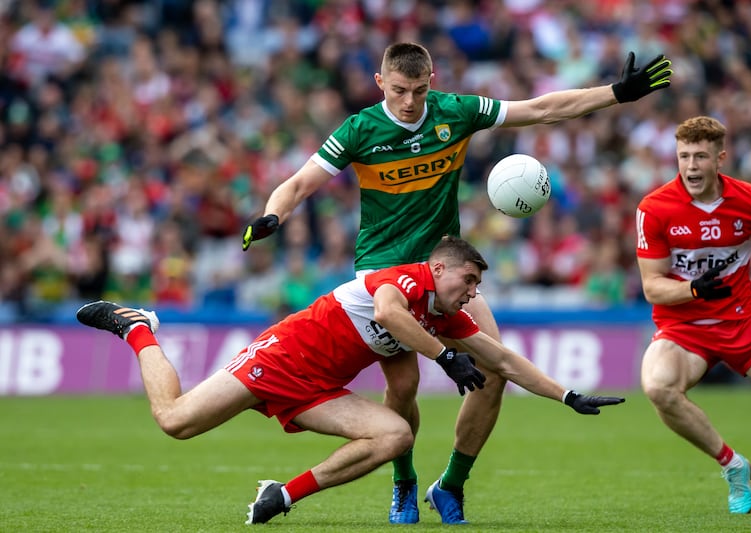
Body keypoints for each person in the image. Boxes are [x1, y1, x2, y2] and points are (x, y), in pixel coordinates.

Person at [242, 42, 670, 524]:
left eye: (419, 90)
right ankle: (404, 482)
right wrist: (272, 215)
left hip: (446, 271)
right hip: (383, 273)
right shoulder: (360, 129)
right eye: (400, 91)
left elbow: (542, 109)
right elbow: (298, 183)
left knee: (493, 372)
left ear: (432, 80)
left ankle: (451, 485)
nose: (409, 101)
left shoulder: (457, 112)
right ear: (381, 83)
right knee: (403, 386)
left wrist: (616, 93)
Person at [76, 235, 624, 525]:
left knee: (395, 435)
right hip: (281, 360)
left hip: (320, 390)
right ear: (438, 269)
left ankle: (283, 495)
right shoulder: (404, 282)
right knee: (175, 421)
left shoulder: (446, 313)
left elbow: (502, 360)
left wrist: (567, 394)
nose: (474, 291)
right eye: (469, 279)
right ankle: (140, 329)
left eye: (478, 283)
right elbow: (387, 314)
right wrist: (441, 355)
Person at [635, 116, 751, 514]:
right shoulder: (655, 208)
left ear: (720, 158)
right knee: (658, 387)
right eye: (684, 156)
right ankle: (733, 465)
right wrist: (692, 290)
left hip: (743, 319)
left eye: (700, 157)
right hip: (683, 326)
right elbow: (652, 285)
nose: (691, 166)